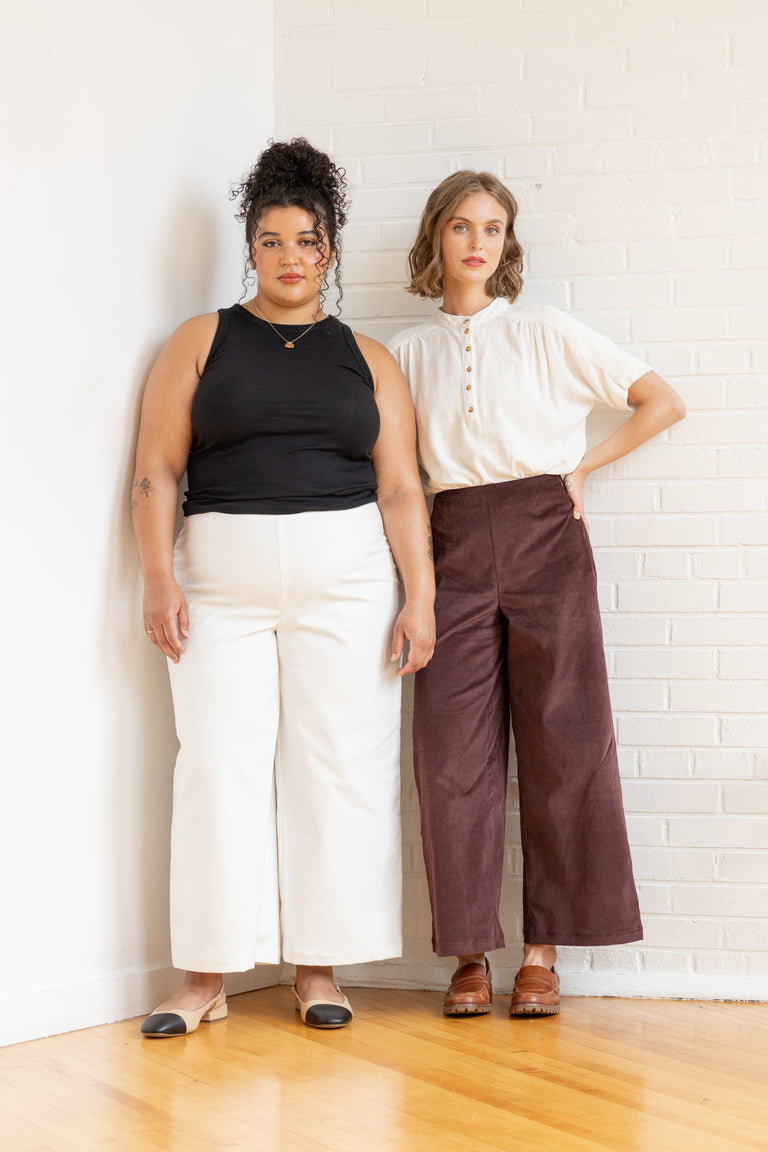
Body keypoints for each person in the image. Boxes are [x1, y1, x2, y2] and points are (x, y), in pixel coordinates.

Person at [132, 138, 435, 1036]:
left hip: (348, 583)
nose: (291, 258)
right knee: (216, 765)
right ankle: (204, 978)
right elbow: (155, 470)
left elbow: (402, 488)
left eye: (308, 242)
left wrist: (420, 595)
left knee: (336, 768)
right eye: (272, 241)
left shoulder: (368, 359)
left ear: (329, 252)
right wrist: (157, 577)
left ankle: (317, 969)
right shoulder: (200, 341)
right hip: (217, 582)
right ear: (251, 249)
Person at [388, 170, 685, 1018]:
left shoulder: (547, 331)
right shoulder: (405, 353)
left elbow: (661, 401)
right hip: (451, 544)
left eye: (494, 227)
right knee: (452, 759)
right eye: (460, 226)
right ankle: (470, 955)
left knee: (565, 744)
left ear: (508, 244)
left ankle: (543, 954)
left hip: (547, 532)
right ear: (435, 238)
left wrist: (582, 469)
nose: (478, 242)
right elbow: (400, 477)